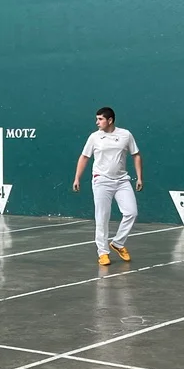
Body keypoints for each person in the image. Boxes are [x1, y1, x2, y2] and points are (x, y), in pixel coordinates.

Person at [72, 107, 143, 266]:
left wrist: (139, 177)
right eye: (97, 119)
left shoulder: (125, 135)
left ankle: (118, 243)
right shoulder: (94, 137)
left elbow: (136, 155)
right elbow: (84, 157)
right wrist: (77, 178)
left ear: (110, 120)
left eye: (100, 119)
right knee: (102, 217)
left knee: (131, 213)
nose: (97, 122)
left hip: (122, 180)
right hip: (101, 180)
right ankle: (103, 252)